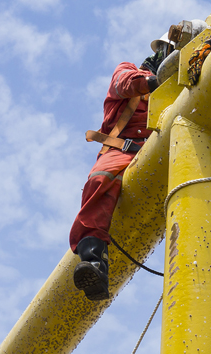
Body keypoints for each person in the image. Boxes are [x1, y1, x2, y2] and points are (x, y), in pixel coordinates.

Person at [70, 35, 170, 301]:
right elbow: (124, 84)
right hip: (123, 149)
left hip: (162, 149)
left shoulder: (182, 91)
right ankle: (93, 261)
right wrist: (155, 81)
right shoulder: (129, 71)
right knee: (99, 180)